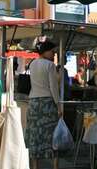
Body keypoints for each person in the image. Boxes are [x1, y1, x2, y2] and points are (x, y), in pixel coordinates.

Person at [25, 41, 61, 169]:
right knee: (52, 135)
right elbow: (53, 87)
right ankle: (55, 166)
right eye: (52, 51)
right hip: (47, 104)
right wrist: (59, 105)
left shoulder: (32, 64)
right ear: (45, 51)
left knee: (35, 135)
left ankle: (35, 166)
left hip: (33, 103)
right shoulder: (50, 65)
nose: (54, 54)